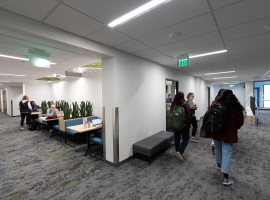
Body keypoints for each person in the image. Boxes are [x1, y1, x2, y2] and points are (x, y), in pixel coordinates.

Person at [210, 89, 244, 185]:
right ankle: (225, 178)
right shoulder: (236, 107)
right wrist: (233, 128)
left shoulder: (215, 104)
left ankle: (219, 164)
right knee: (227, 153)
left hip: (216, 132)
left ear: (221, 96)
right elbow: (240, 123)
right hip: (229, 134)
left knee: (218, 148)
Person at [170, 91, 191, 161]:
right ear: (182, 97)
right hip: (184, 126)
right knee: (185, 139)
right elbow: (188, 116)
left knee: (177, 138)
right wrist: (189, 124)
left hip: (175, 125)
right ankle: (180, 151)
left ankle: (177, 152)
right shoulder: (185, 104)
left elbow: (171, 114)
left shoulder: (173, 104)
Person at [211, 89, 225, 155]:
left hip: (214, 120)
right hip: (222, 120)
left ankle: (213, 143)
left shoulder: (215, 100)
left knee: (215, 133)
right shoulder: (225, 102)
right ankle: (219, 146)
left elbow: (210, 110)